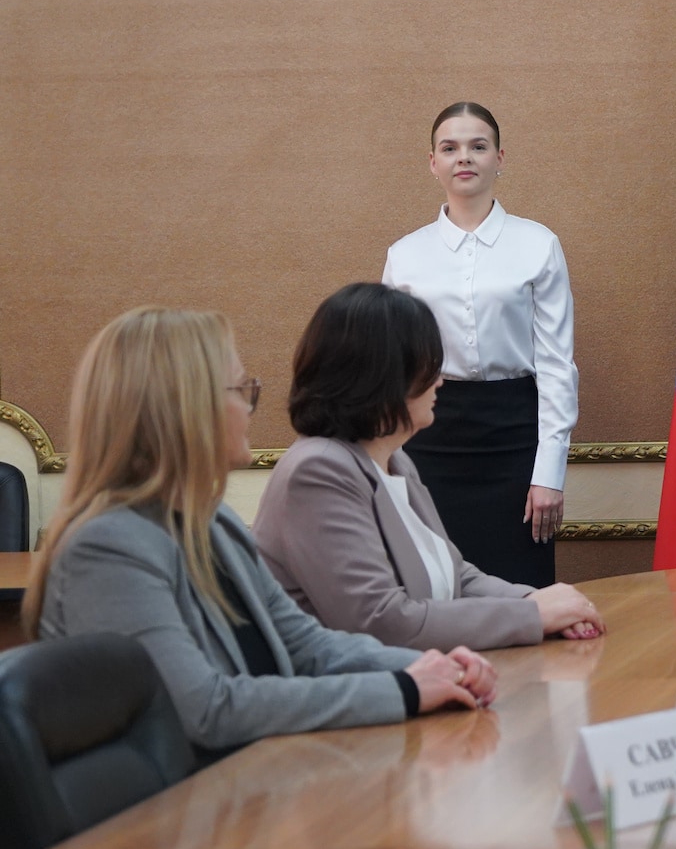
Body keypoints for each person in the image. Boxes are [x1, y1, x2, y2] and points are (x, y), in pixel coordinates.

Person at [26, 307, 496, 758]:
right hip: (177, 807)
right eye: (241, 390)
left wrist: (428, 668)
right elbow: (206, 710)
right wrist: (404, 689)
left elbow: (306, 644)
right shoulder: (108, 548)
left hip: (247, 781)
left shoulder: (214, 521)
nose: (251, 407)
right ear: (186, 409)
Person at [253, 283, 605, 652]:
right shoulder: (317, 471)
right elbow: (381, 623)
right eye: (430, 366)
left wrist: (537, 601)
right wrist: (533, 616)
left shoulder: (395, 460)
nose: (440, 381)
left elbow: (457, 577)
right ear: (384, 376)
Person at [383, 101, 578, 588]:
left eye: (478, 146)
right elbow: (389, 370)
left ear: (499, 158)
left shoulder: (538, 245)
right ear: (433, 162)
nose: (464, 158)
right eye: (450, 148)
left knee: (521, 587)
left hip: (516, 436)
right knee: (436, 587)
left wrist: (549, 472)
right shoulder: (405, 256)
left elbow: (557, 365)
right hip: (431, 437)